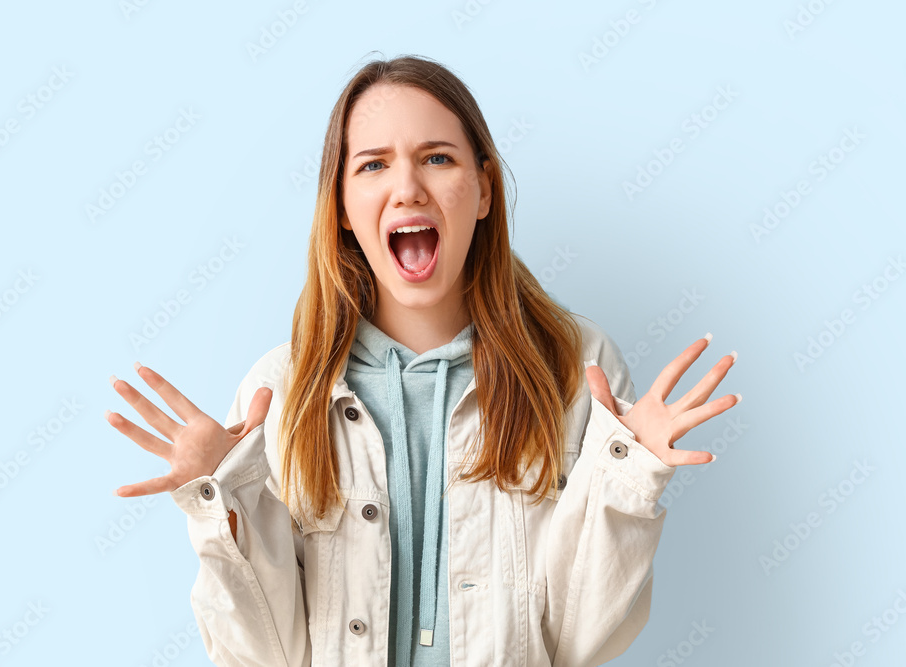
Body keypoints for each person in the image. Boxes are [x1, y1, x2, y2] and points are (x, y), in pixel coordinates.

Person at [105, 54, 740, 666]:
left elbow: (580, 643)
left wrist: (628, 481)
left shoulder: (575, 367)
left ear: (484, 190)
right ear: (343, 209)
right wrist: (225, 502)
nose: (407, 188)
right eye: (374, 165)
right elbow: (266, 657)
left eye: (437, 158)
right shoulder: (281, 388)